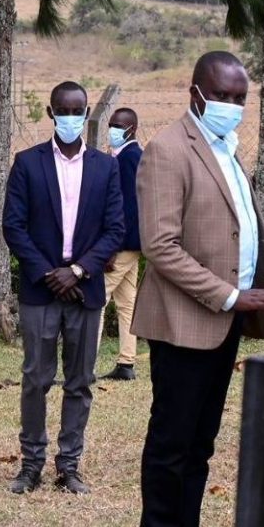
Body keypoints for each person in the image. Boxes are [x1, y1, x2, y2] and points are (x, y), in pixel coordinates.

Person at [131, 51, 264, 527]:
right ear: (196, 93)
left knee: (201, 443)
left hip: (226, 323)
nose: (231, 106)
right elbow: (160, 246)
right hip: (187, 321)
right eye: (222, 95)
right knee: (172, 442)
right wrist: (231, 294)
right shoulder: (167, 150)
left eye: (239, 98)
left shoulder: (226, 151)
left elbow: (237, 230)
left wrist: (263, 287)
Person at [1, 81, 125, 496]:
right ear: (51, 113)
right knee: (36, 377)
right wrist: (50, 273)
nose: (70, 118)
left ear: (87, 112)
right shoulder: (27, 163)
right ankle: (31, 463)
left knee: (81, 380)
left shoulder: (107, 168)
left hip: (85, 290)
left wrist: (78, 271)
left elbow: (115, 229)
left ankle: (69, 464)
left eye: (78, 111)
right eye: (62, 110)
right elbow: (13, 226)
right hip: (41, 290)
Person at [100, 107, 143, 381]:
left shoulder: (129, 158)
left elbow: (126, 207)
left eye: (118, 125)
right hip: (134, 243)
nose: (113, 129)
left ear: (131, 129)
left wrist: (112, 248)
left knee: (95, 299)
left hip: (124, 243)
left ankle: (83, 364)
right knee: (127, 303)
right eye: (111, 124)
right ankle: (126, 363)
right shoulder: (128, 156)